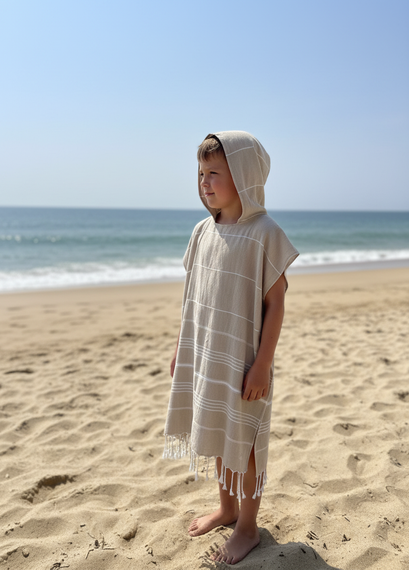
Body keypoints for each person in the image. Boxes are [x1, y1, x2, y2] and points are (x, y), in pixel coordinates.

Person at [163, 131, 299, 564]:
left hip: (245, 363)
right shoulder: (202, 231)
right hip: (207, 356)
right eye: (200, 173)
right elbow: (193, 297)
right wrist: (182, 350)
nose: (204, 182)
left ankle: (247, 526)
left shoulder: (265, 234)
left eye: (214, 173)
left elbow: (275, 304)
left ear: (243, 175)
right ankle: (226, 508)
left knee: (246, 442)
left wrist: (263, 365)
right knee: (220, 434)